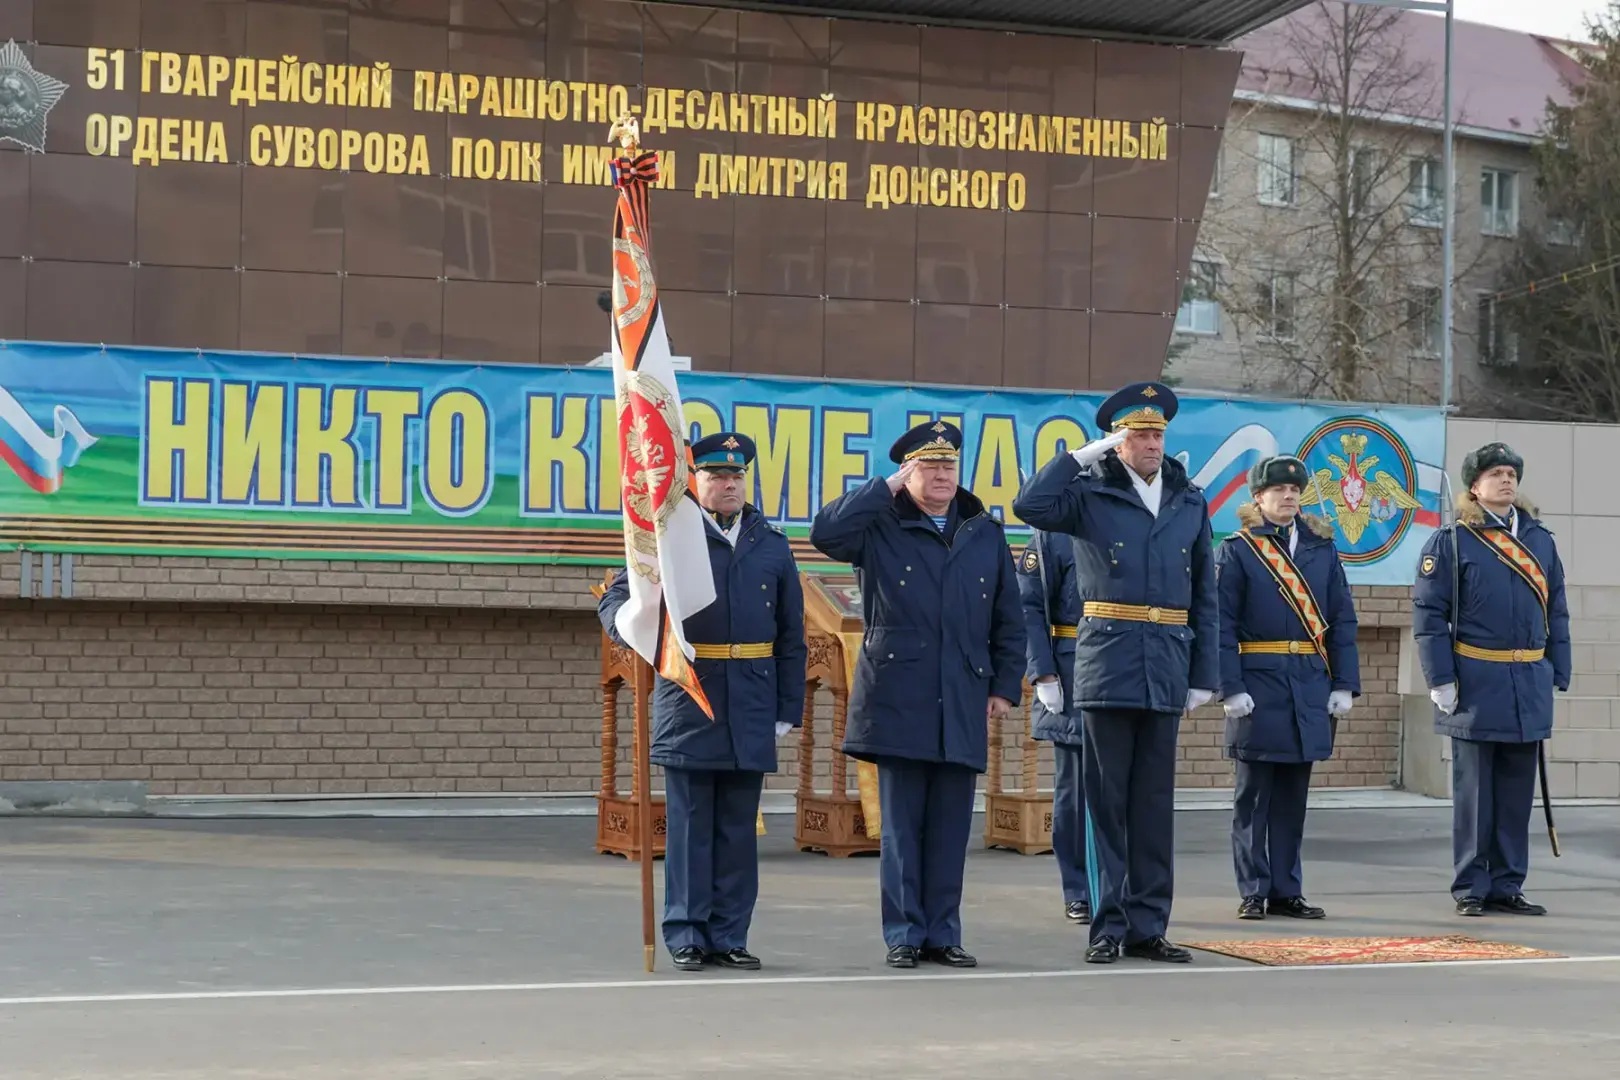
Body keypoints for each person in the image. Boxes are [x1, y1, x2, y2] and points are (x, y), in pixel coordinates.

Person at [1012, 381, 1218, 965]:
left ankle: (1149, 924)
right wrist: (1080, 457)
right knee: (1105, 802)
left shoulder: (1188, 499)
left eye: (1157, 434)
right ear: (1118, 443)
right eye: (1140, 435)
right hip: (1106, 662)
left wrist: (1204, 670)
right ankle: (1108, 925)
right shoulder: (1089, 494)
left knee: (1152, 806)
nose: (1153, 443)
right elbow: (1031, 506)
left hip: (1166, 662)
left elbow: (1206, 590)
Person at [809, 420, 1026, 969]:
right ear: (906, 473)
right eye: (929, 467)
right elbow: (825, 533)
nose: (942, 476)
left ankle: (943, 932)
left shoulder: (983, 529)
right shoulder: (878, 525)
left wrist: (1003, 685)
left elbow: (1008, 615)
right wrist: (882, 489)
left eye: (949, 465)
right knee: (904, 827)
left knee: (951, 826)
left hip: (962, 691)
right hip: (899, 693)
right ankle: (905, 932)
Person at [597, 432, 808, 971]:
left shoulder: (773, 543)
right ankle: (687, 933)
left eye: (736, 476)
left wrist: (788, 708)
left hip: (753, 701)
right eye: (716, 476)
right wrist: (634, 629)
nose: (728, 484)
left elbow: (791, 637)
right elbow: (619, 597)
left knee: (738, 830)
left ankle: (730, 934)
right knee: (691, 827)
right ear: (696, 481)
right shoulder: (670, 537)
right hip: (691, 695)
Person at [1413, 442, 1570, 918]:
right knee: (1475, 795)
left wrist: (1558, 667)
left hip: (1528, 682)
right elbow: (1429, 615)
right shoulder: (1453, 540)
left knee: (1515, 793)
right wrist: (1441, 678)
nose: (1506, 480)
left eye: (1511, 473)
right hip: (1477, 681)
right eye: (1495, 473)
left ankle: (1507, 884)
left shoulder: (1540, 540)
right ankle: (1471, 886)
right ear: (1474, 486)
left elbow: (1556, 607)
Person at [1215, 455, 1360, 921]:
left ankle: (1286, 889)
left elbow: (1342, 619)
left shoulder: (1321, 548)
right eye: (1278, 488)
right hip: (1259, 682)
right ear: (1258, 497)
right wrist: (1229, 686)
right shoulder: (1239, 550)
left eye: (1295, 488)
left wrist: (1345, 683)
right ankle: (1253, 889)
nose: (1289, 494)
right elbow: (1221, 624)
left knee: (1293, 797)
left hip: (1309, 684)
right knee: (1254, 797)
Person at [1015, 526, 1092, 924]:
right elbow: (1027, 608)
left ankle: (1124, 887)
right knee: (1075, 792)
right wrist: (1042, 673)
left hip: (1130, 670)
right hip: (1072, 667)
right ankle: (1078, 888)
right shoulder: (1051, 537)